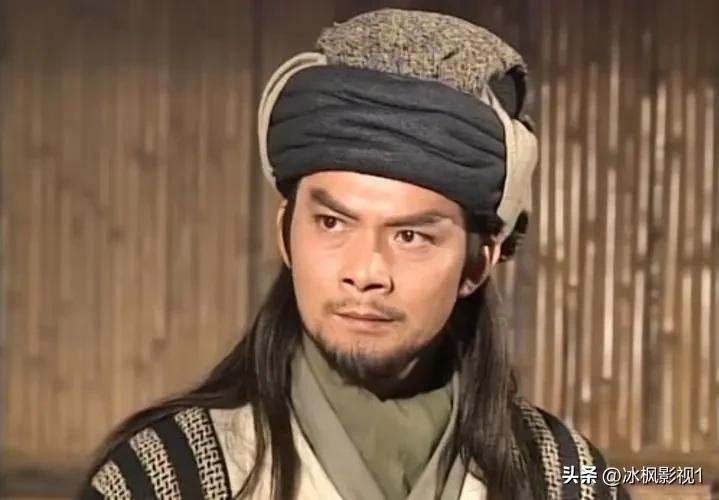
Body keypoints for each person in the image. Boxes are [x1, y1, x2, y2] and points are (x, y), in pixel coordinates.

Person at [80, 8, 629, 500]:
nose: (365, 272)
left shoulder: (567, 479)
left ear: (477, 264)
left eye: (410, 236)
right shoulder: (164, 479)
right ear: (286, 233)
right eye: (332, 223)